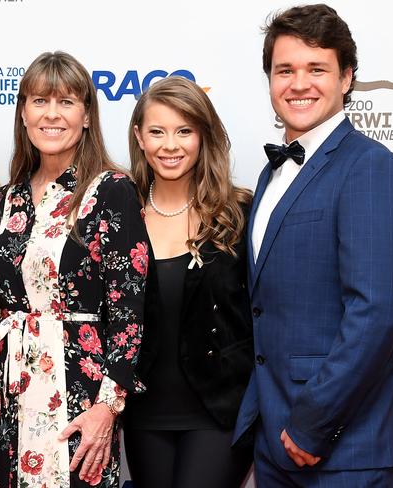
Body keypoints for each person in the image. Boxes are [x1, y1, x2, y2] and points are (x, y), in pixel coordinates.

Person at [232, 4, 393, 487]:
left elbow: (375, 311)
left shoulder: (371, 168)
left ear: (347, 78)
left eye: (317, 69)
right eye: (284, 70)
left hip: (343, 444)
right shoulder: (271, 173)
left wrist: (313, 424)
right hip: (274, 440)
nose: (299, 84)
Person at [0, 51, 148, 488]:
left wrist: (107, 409)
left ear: (87, 116)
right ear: (23, 113)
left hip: (79, 393)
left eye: (67, 102)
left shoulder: (112, 190)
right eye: (39, 101)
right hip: (8, 386)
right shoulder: (6, 197)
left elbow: (129, 312)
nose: (52, 114)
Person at [123, 76, 254, 488]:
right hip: (144, 415)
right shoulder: (120, 217)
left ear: (203, 136)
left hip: (219, 413)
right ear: (139, 138)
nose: (170, 145)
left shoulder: (239, 213)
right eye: (157, 131)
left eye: (184, 131)